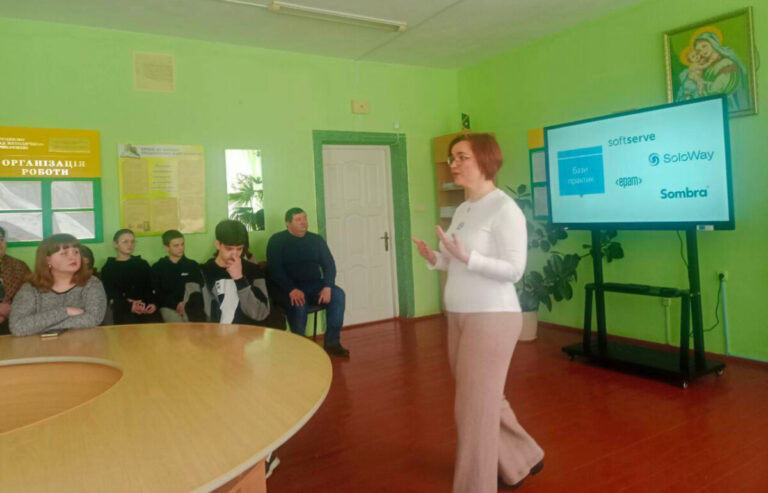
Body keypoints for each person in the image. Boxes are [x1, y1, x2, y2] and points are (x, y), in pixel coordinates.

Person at [412, 134, 544, 492]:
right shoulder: (463, 209)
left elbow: (514, 270)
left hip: (492, 316)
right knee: (484, 399)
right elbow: (456, 261)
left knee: (472, 409)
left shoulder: (504, 208)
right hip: (459, 314)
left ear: (484, 160)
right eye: (451, 158)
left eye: (461, 157)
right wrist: (435, 258)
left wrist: (469, 257)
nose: (453, 164)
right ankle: (524, 457)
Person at [266, 208, 349, 357]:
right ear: (288, 223)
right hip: (287, 288)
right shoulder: (277, 241)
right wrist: (291, 289)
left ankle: (332, 343)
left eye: (304, 218)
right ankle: (300, 348)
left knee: (338, 295)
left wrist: (328, 286)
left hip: (314, 285)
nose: (303, 222)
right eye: (298, 220)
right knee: (299, 303)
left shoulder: (316, 240)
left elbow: (329, 265)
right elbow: (275, 270)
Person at [9, 233, 106, 336]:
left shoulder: (92, 283)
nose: (73, 257)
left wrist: (41, 326)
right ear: (47, 260)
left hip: (81, 343)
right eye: (64, 253)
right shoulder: (30, 288)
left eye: (76, 252)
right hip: (40, 345)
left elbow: (93, 319)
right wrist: (66, 311)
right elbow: (18, 327)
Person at [201, 220, 270, 325]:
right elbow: (201, 314)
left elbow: (260, 314)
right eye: (229, 249)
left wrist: (239, 279)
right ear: (218, 244)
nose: (234, 254)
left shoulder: (254, 271)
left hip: (248, 333)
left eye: (239, 249)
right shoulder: (205, 271)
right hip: (214, 333)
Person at [101, 229, 159, 324]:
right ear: (116, 244)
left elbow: (151, 287)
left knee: (154, 326)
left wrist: (153, 303)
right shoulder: (109, 268)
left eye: (132, 241)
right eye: (125, 242)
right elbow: (111, 294)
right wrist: (130, 305)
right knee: (128, 325)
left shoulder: (142, 264)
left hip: (145, 305)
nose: (130, 245)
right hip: (123, 307)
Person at [152, 229, 206, 323]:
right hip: (168, 307)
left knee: (196, 325)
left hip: (192, 306)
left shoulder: (192, 265)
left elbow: (199, 289)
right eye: (176, 245)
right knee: (178, 326)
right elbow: (157, 293)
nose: (181, 248)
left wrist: (186, 304)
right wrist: (175, 304)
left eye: (182, 244)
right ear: (166, 247)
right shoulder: (158, 267)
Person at [0, 226, 32, 334]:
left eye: (1, 239)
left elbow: (32, 297)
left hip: (14, 323)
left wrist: (12, 310)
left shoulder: (18, 266)